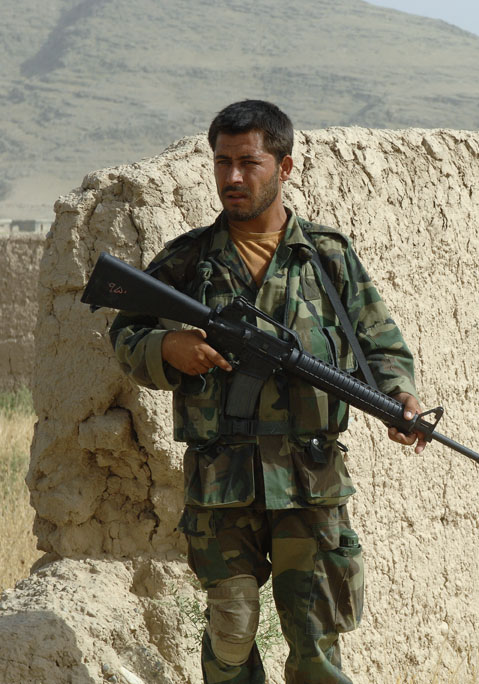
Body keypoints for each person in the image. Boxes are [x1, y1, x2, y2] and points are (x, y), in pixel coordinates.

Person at [109, 99, 425, 684]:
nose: (232, 177)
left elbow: (380, 346)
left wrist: (399, 398)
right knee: (231, 633)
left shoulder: (327, 258)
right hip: (222, 484)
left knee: (317, 644)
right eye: (222, 162)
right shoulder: (187, 261)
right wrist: (167, 349)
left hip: (311, 483)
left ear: (284, 168)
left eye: (248, 162)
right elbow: (125, 332)